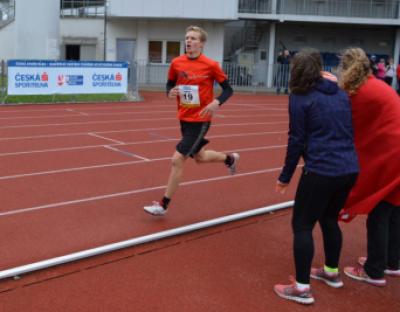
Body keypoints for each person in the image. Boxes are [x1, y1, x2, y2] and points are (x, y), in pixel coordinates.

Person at [273, 49, 359, 305]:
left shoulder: (300, 97)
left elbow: (296, 140)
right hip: (348, 168)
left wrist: (285, 176)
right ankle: (332, 272)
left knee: (302, 225)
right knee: (329, 219)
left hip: (322, 170)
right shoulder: (342, 94)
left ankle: (301, 288)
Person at [143, 25, 237, 216]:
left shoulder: (210, 65)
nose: (189, 41)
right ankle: (229, 159)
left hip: (201, 119)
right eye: (187, 38)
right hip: (184, 117)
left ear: (201, 44)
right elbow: (169, 84)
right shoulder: (177, 62)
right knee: (200, 158)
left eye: (193, 38)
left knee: (177, 159)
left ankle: (163, 205)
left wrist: (216, 102)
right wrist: (170, 91)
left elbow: (228, 89)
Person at [337, 48, 400, 286]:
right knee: (394, 209)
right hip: (397, 151)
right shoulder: (377, 86)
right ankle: (391, 262)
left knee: (380, 212)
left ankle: (374, 270)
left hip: (393, 154)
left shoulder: (360, 93)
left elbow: (346, 129)